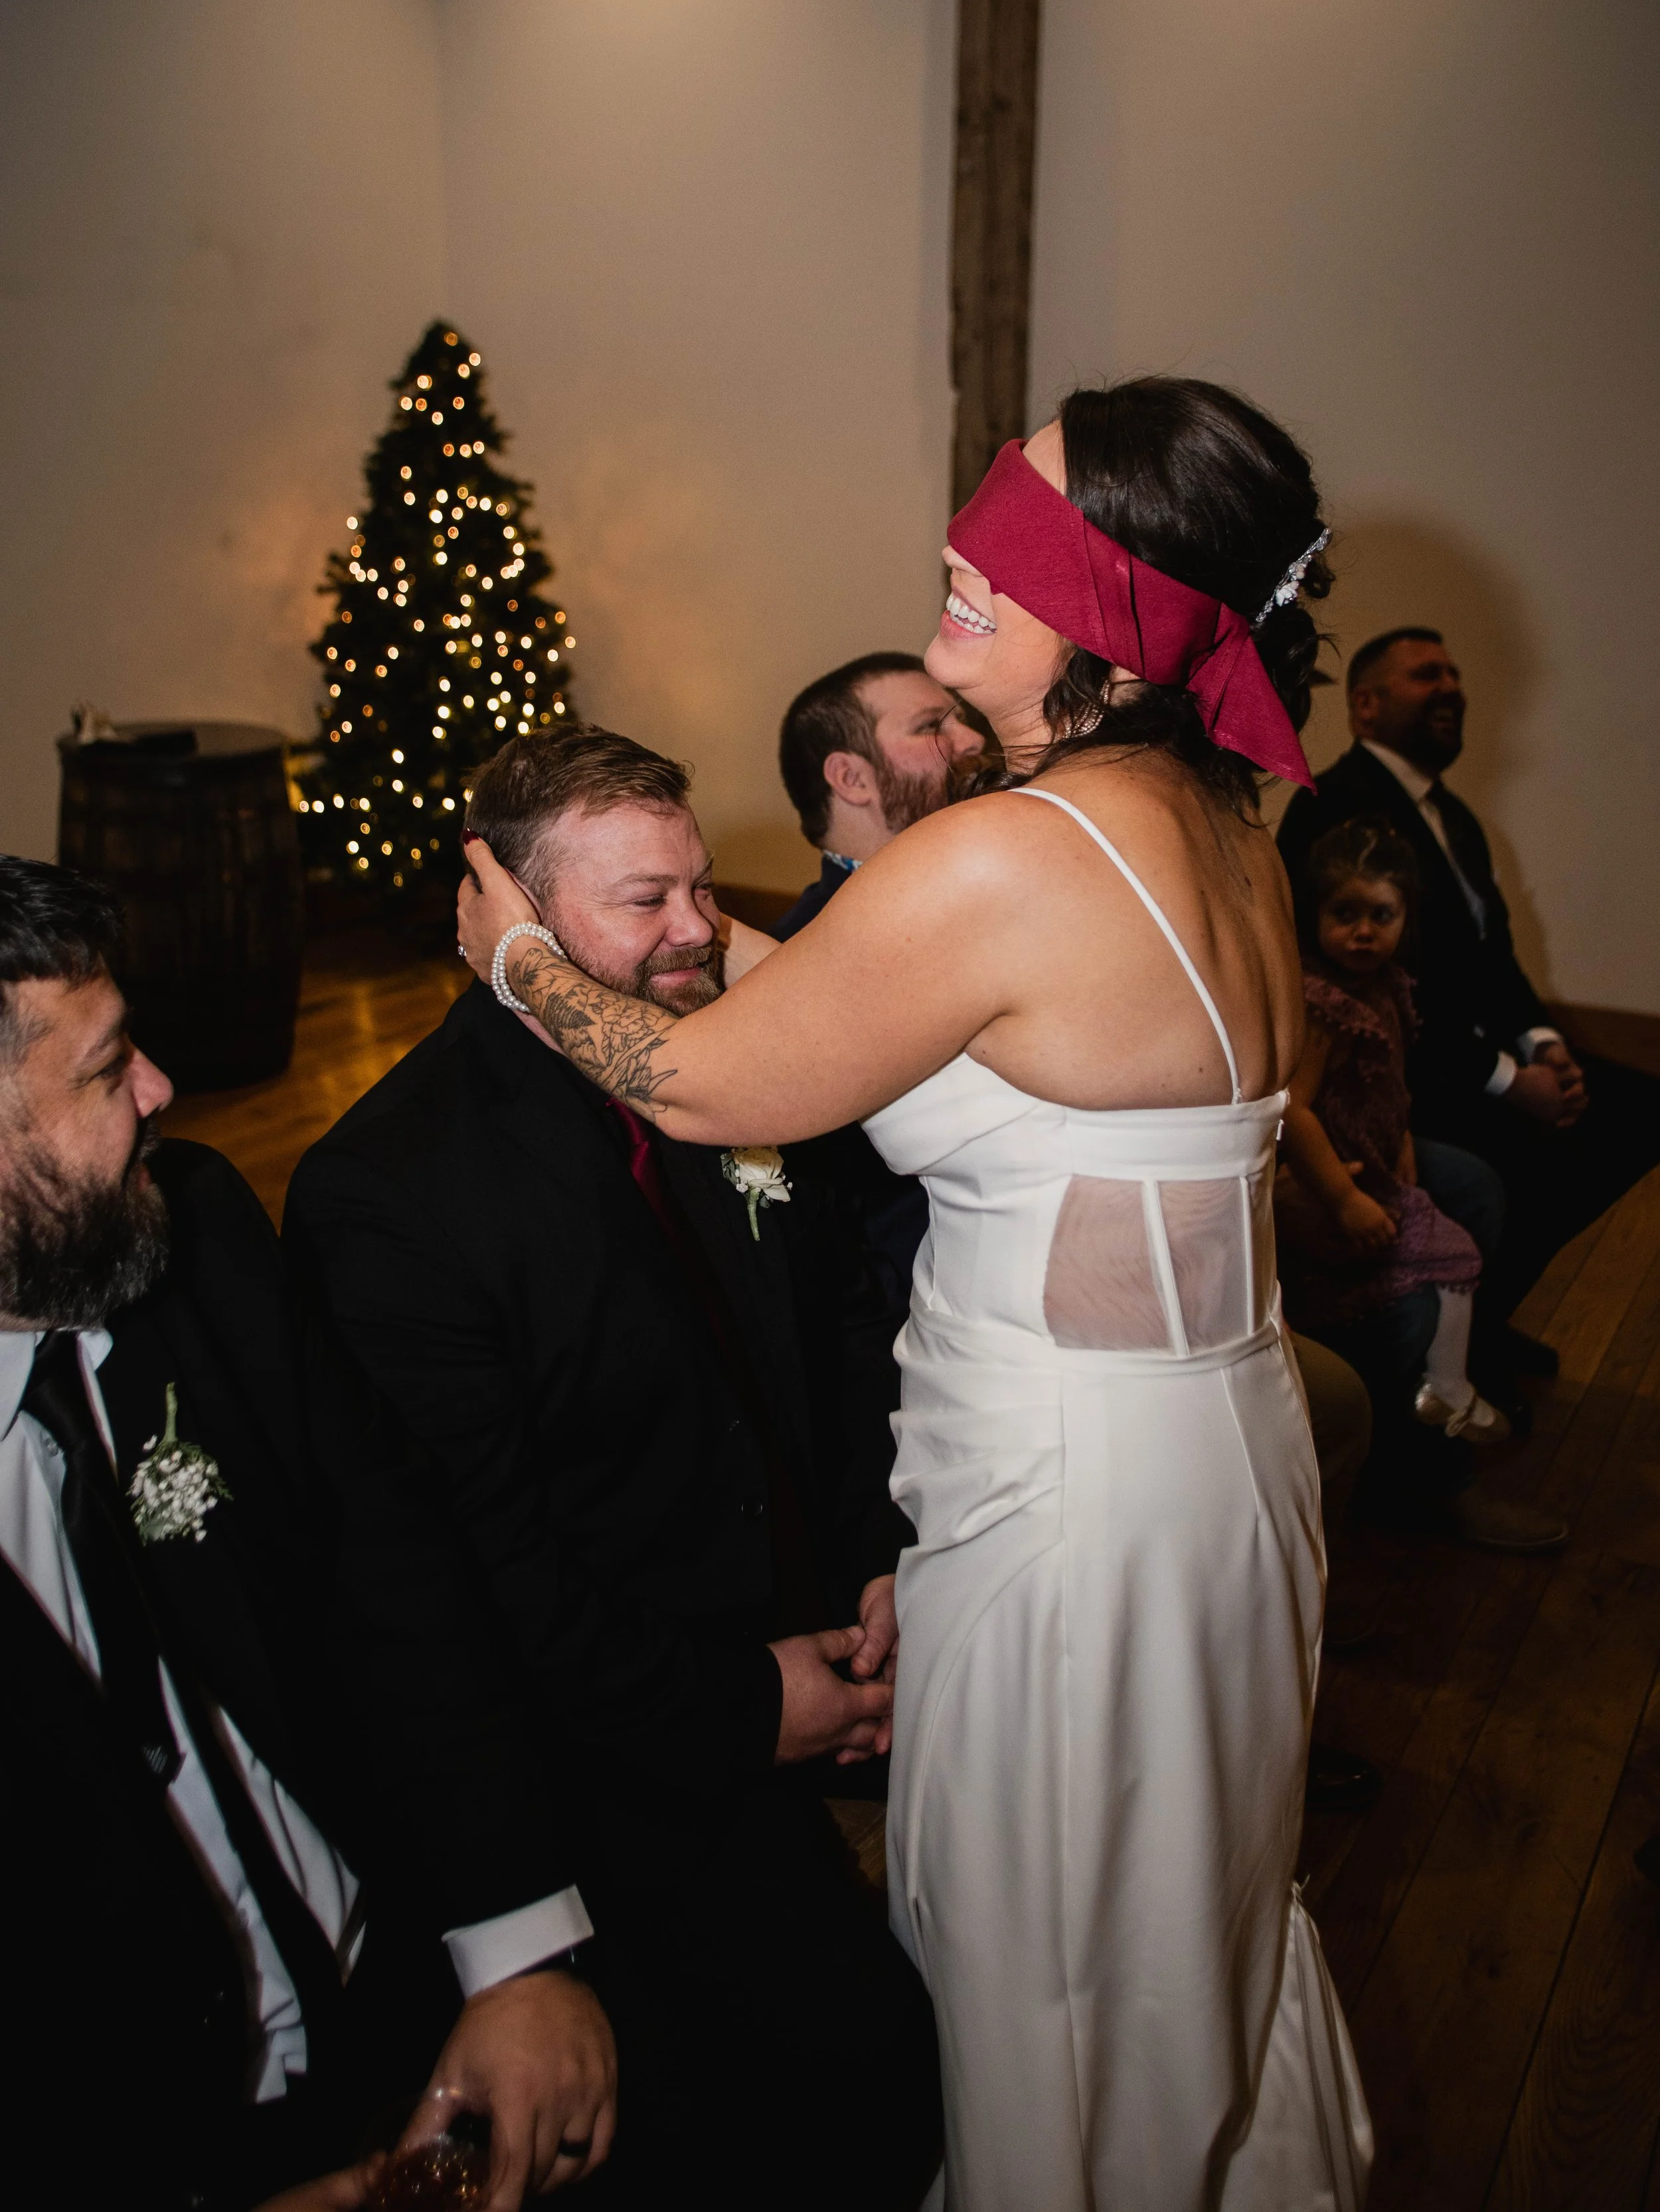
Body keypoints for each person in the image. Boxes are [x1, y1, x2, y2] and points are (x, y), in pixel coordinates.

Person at [459, 378, 1376, 2209]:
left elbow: (712, 1084)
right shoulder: (1215, 833)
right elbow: (912, 999)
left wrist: (521, 960)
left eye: (1015, 532)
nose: (958, 548)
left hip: (1081, 1500)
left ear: (1114, 601)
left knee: (1057, 1963)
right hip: (1196, 1458)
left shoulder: (1006, 855)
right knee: (1172, 1925)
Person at [283, 728, 942, 2212]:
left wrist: (874, 1559)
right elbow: (467, 1575)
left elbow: (847, 1333)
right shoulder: (388, 1195)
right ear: (509, 919)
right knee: (850, 2088)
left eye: (699, 888)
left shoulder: (725, 1076)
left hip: (820, 1640)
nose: (700, 931)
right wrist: (743, 1704)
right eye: (645, 902)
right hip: (596, 1757)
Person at [0, 858, 617, 2212]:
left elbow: (398, 1579)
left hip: (404, 1993)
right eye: (106, 1073)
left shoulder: (195, 1228)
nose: (161, 1091)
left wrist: (516, 1952)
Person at [778, 653, 1380, 1808]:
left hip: (1143, 1346)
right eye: (927, 726)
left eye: (960, 716)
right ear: (849, 774)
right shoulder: (824, 942)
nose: (965, 740)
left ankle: (1228, 1724)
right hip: (965, 1340)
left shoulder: (1052, 871)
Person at [1278, 627, 1660, 1323]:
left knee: (1637, 1112)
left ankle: (1485, 1316)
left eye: (1453, 674)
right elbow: (1369, 991)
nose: (1451, 687)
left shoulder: (1452, 814)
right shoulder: (1331, 806)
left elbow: (1494, 955)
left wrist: (1541, 1043)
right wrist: (1510, 1082)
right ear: (1364, 706)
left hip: (1471, 1057)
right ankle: (1453, 1335)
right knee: (1517, 1165)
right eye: (1426, 676)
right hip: (1398, 1072)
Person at [1277, 819, 1566, 1549]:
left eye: (1382, 916)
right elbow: (1294, 1108)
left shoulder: (1386, 988)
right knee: (1448, 1254)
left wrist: (1401, 1139)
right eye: (1345, 915)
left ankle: (1444, 1392)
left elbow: (1392, 1087)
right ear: (1316, 916)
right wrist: (1340, 1196)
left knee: (1471, 1196)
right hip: (1327, 1174)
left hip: (1375, 1153)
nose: (1364, 934)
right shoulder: (1325, 1005)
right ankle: (1440, 1397)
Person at [774, 652, 985, 936]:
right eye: (930, 726)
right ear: (852, 779)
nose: (975, 740)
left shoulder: (977, 892)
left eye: (961, 721)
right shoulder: (801, 954)